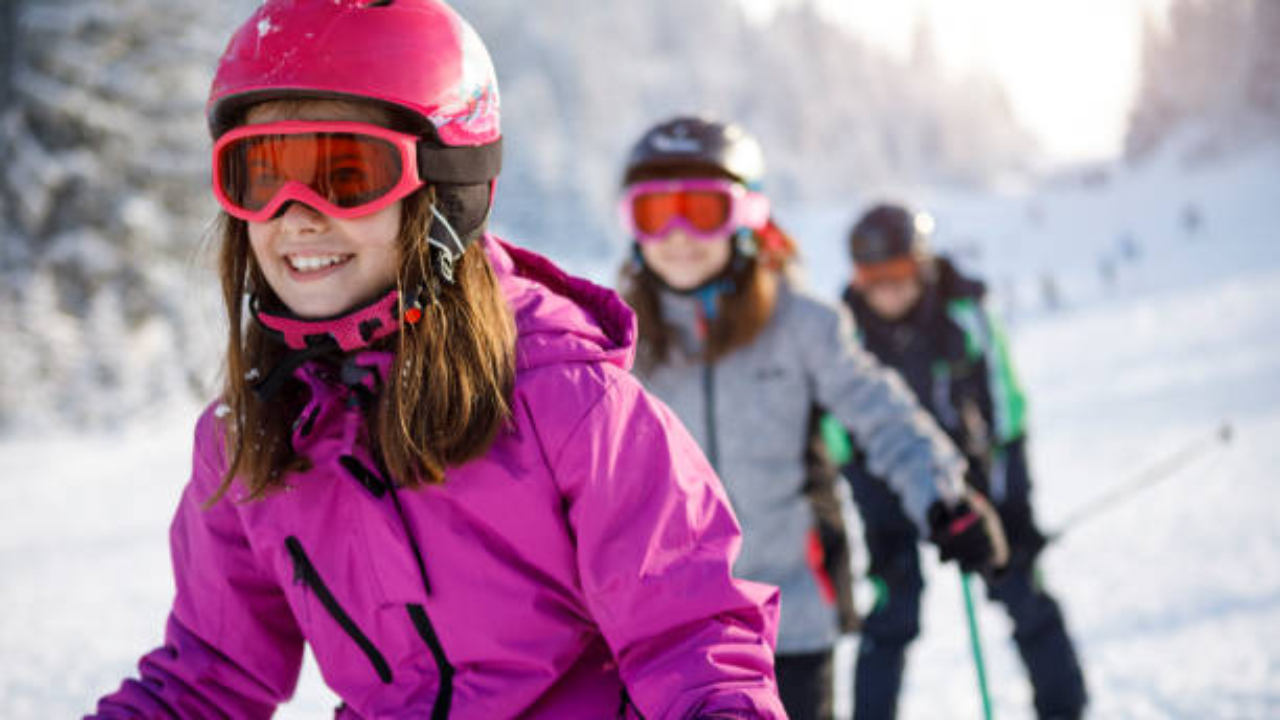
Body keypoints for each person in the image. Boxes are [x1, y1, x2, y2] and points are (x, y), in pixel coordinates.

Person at [89, 3, 787, 717]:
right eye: (263, 174)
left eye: (344, 171)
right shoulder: (250, 437)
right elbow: (206, 678)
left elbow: (691, 637)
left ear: (444, 189)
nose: (296, 213)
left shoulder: (566, 402)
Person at [615, 116, 1008, 720]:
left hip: (790, 618)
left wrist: (944, 496)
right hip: (674, 634)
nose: (677, 234)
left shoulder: (802, 325)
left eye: (701, 209)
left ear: (745, 216)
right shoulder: (620, 341)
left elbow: (883, 414)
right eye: (653, 212)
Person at [839, 202, 1088, 720]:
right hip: (885, 481)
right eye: (872, 276)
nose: (887, 289)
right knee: (894, 601)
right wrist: (875, 502)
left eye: (899, 272)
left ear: (922, 264)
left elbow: (1006, 401)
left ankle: (1064, 708)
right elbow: (837, 431)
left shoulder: (963, 311)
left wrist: (1007, 499)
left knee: (1019, 581)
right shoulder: (846, 332)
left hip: (977, 476)